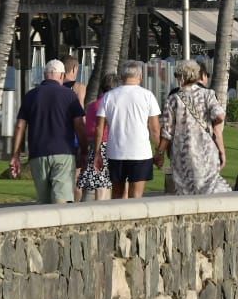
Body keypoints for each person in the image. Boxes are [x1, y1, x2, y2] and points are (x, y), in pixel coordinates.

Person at [7, 59, 86, 203]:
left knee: (43, 202)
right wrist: (85, 150)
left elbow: (20, 126)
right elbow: (79, 125)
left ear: (45, 75)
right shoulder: (69, 96)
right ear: (62, 76)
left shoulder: (31, 96)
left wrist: (15, 155)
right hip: (64, 153)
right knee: (61, 200)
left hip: (38, 153)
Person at [160, 59, 229, 194]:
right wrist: (221, 149)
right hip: (206, 150)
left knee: (185, 190)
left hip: (183, 152)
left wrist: (160, 152)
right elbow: (220, 115)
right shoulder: (208, 94)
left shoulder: (173, 99)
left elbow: (167, 131)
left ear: (182, 77)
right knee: (208, 187)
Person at [96, 62, 162, 199]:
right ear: (140, 77)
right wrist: (159, 151)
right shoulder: (147, 96)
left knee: (117, 194)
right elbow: (155, 129)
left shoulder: (109, 96)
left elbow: (99, 127)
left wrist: (97, 153)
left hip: (115, 152)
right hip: (140, 152)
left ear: (121, 77)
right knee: (136, 195)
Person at [76, 72, 118, 201]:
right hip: (107, 144)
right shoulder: (112, 104)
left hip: (93, 144)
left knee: (96, 180)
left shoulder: (92, 105)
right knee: (103, 183)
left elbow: (88, 128)